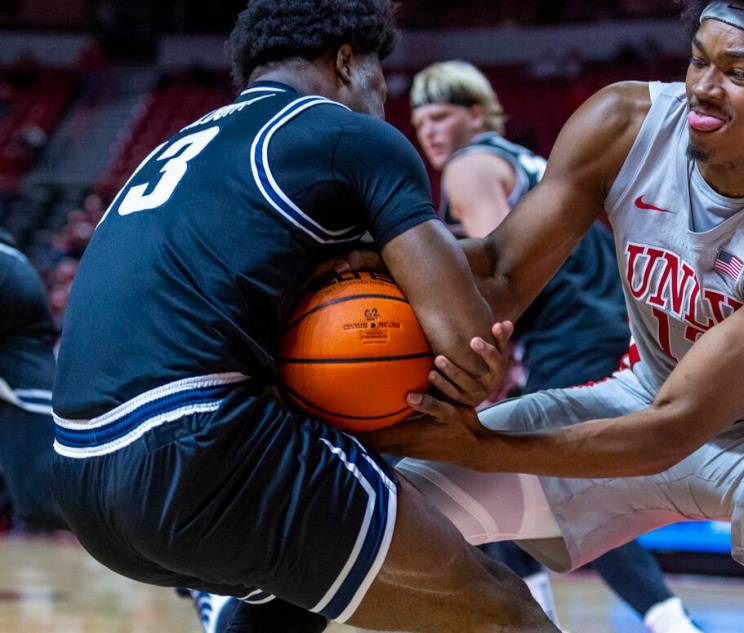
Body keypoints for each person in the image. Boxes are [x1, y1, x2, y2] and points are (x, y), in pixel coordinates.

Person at [348, 2, 744, 632]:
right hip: (644, 394)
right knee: (370, 507)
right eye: (699, 59)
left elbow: (673, 431)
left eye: (737, 72)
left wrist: (484, 445)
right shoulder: (623, 122)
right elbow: (500, 275)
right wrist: (358, 260)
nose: (703, 84)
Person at [49, 2, 557, 632]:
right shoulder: (350, 137)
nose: (383, 95)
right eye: (380, 74)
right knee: (505, 614)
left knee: (292, 606)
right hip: (198, 452)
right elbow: (468, 344)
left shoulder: (174, 146)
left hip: (80, 479)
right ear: (348, 60)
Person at [410, 59, 701, 633]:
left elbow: (504, 283)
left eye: (442, 117)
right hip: (619, 327)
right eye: (421, 123)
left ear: (476, 114)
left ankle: (669, 622)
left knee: (547, 488)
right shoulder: (528, 162)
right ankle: (550, 615)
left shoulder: (470, 169)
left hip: (574, 337)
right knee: (521, 490)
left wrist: (478, 368)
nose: (431, 134)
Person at [0, 228, 63, 532]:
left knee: (44, 513)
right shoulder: (14, 261)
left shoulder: (7, 265)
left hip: (27, 403)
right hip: (23, 396)